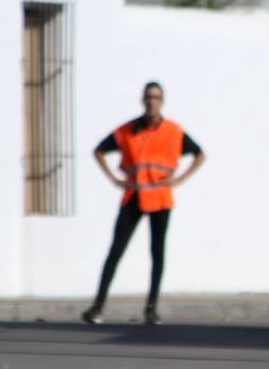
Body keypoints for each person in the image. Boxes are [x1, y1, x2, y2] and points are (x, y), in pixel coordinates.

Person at [82, 82, 204, 326]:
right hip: (134, 197)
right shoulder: (128, 130)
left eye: (156, 97)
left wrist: (180, 179)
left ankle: (151, 308)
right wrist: (114, 179)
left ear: (162, 101)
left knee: (157, 252)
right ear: (143, 100)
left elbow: (199, 153)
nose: (152, 101)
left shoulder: (173, 131)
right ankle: (97, 306)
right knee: (116, 250)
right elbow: (99, 150)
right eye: (148, 97)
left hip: (160, 197)